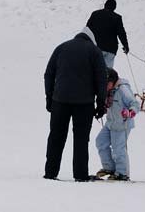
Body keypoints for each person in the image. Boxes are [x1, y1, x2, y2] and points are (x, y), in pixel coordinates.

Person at [44, 27, 108, 182]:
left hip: (60, 100)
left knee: (56, 136)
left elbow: (49, 74)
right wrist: (101, 104)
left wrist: (49, 98)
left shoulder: (61, 47)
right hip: (84, 103)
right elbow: (101, 79)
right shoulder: (94, 51)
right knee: (81, 138)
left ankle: (51, 172)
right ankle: (80, 174)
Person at [95, 68, 138, 181]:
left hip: (122, 124)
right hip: (111, 123)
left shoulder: (122, 88)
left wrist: (130, 112)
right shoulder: (109, 91)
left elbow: (134, 103)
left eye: (106, 83)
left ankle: (122, 173)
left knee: (118, 148)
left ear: (113, 81)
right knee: (100, 141)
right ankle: (109, 167)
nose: (104, 86)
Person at [86, 0, 130, 68]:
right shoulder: (117, 18)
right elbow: (121, 33)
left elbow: (87, 29)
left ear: (105, 5)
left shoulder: (95, 14)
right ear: (114, 7)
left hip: (95, 47)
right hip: (111, 49)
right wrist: (125, 46)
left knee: (93, 69)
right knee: (106, 72)